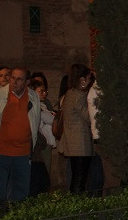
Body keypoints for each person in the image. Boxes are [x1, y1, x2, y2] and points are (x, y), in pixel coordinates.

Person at [0, 67, 41, 202]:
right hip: (0, 151)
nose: (14, 82)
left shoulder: (33, 97)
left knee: (20, 193)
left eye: (19, 79)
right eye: (12, 78)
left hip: (22, 153)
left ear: (27, 82)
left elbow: (35, 121)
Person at [57, 64, 93, 193]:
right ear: (82, 80)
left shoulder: (70, 93)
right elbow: (88, 117)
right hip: (79, 144)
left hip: (73, 143)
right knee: (79, 179)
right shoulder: (78, 96)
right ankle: (77, 206)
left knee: (77, 178)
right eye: (89, 78)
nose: (90, 82)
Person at [29, 79, 55, 196]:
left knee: (42, 178)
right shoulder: (35, 106)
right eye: (41, 91)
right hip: (37, 146)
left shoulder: (42, 105)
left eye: (45, 91)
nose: (44, 94)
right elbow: (50, 120)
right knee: (40, 178)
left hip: (42, 144)